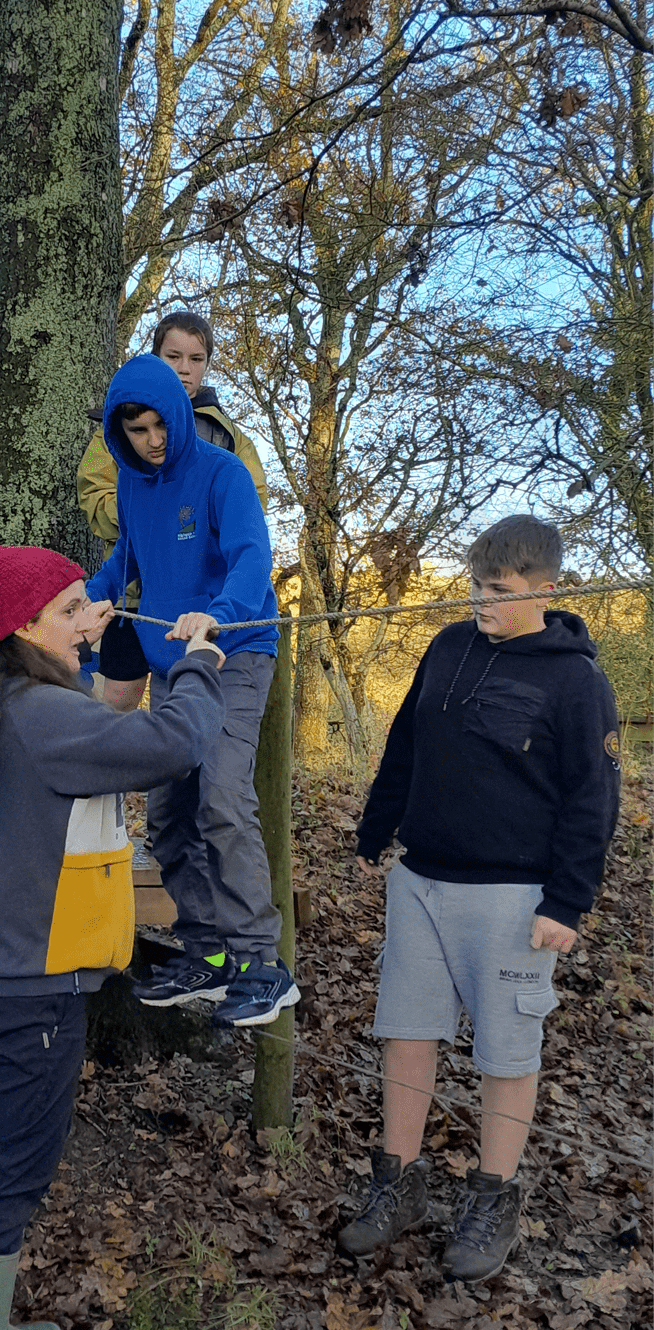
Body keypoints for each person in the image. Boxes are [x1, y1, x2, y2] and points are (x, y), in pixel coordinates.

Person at [0, 532, 226, 1330]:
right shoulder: (44, 715)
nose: (91, 617)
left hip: (6, 966)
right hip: (30, 979)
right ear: (23, 627)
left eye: (86, 603)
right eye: (71, 608)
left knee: (14, 1158)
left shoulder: (10, 700)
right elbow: (174, 744)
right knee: (13, 1169)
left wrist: (97, 635)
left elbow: (96, 711)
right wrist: (197, 661)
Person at [338, 514, 620, 1282]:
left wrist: (565, 904)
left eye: (496, 589)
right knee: (405, 1033)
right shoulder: (447, 647)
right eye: (473, 586)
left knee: (504, 1052)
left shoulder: (576, 681)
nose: (479, 602)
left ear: (544, 589)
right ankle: (397, 1185)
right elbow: (404, 745)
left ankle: (492, 1199)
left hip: (511, 898)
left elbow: (592, 800)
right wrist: (374, 830)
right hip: (420, 880)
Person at [85, 351, 299, 1029]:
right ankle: (208, 955)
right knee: (170, 814)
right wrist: (89, 600)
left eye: (160, 425)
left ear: (179, 415)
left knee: (221, 797)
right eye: (137, 430)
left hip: (234, 652)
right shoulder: (130, 484)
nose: (152, 440)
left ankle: (262, 964)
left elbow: (251, 559)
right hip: (172, 667)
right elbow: (124, 560)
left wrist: (219, 615)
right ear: (121, 433)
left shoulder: (221, 473)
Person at [76, 310, 267, 711]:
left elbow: (250, 537)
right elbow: (108, 516)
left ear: (208, 364)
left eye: (196, 359)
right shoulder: (116, 438)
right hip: (134, 608)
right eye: (173, 357)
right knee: (115, 711)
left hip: (216, 620)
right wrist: (87, 597)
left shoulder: (228, 444)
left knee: (216, 744)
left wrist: (220, 607)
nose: (184, 369)